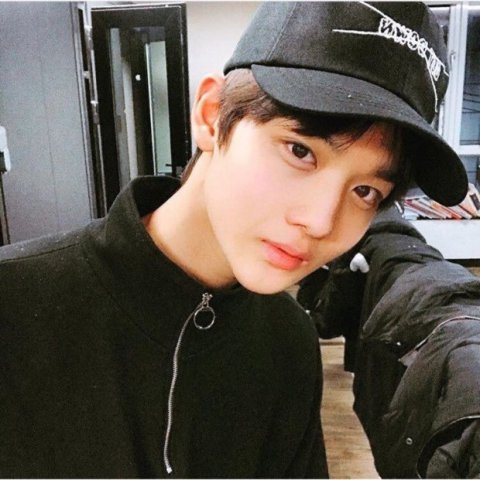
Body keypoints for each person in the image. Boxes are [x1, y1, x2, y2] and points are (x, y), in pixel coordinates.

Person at [0, 1, 468, 478]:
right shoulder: (15, 306)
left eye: (365, 191)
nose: (321, 221)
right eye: (300, 151)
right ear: (211, 117)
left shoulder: (288, 343)